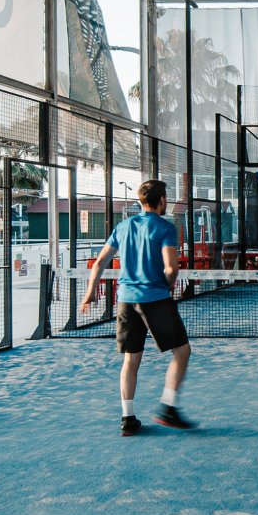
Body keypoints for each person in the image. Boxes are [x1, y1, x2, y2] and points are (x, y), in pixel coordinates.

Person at [78, 179, 194, 434]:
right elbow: (171, 268)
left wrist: (89, 294)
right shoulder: (165, 228)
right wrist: (167, 285)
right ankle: (169, 408)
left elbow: (99, 263)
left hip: (126, 301)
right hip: (155, 299)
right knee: (182, 352)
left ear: (141, 201)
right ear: (162, 200)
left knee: (131, 360)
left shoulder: (123, 227)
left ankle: (128, 418)